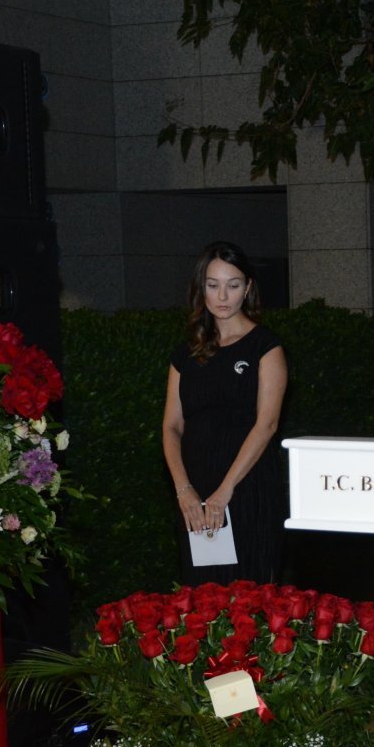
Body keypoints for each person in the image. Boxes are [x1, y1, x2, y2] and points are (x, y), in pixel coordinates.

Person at [162, 242, 289, 585]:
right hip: (195, 492)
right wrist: (183, 489)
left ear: (247, 288)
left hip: (247, 487)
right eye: (213, 285)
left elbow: (267, 423)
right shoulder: (185, 354)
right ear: (200, 287)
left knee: (251, 598)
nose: (222, 296)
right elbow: (172, 426)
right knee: (203, 602)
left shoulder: (266, 347)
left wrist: (224, 491)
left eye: (233, 285)